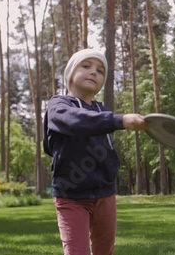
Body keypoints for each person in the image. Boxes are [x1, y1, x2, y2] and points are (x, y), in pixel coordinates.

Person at [43, 48, 148, 255]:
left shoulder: (104, 111)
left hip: (105, 194)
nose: (94, 72)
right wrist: (120, 120)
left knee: (104, 252)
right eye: (86, 66)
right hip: (71, 196)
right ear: (70, 73)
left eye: (100, 71)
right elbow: (75, 121)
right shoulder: (58, 105)